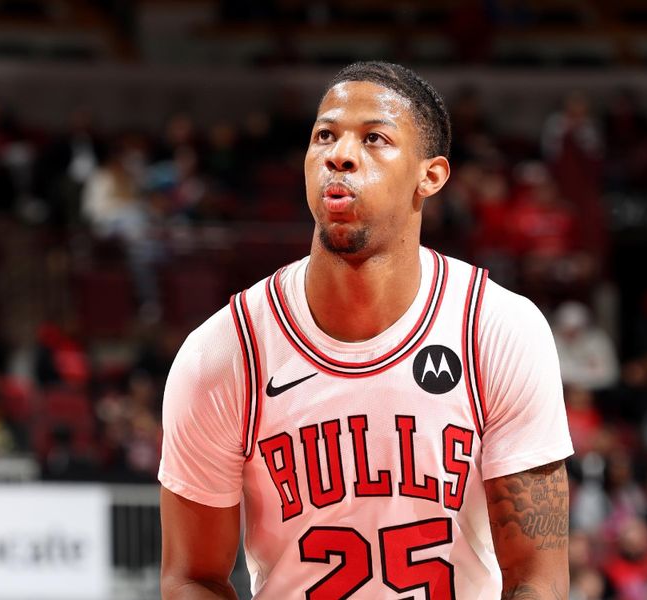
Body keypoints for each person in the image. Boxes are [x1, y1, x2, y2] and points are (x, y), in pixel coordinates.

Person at [159, 61, 573, 599]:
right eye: (325, 135)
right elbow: (192, 576)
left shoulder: (497, 329)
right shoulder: (225, 351)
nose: (339, 154)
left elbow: (537, 578)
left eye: (374, 138)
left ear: (431, 175)